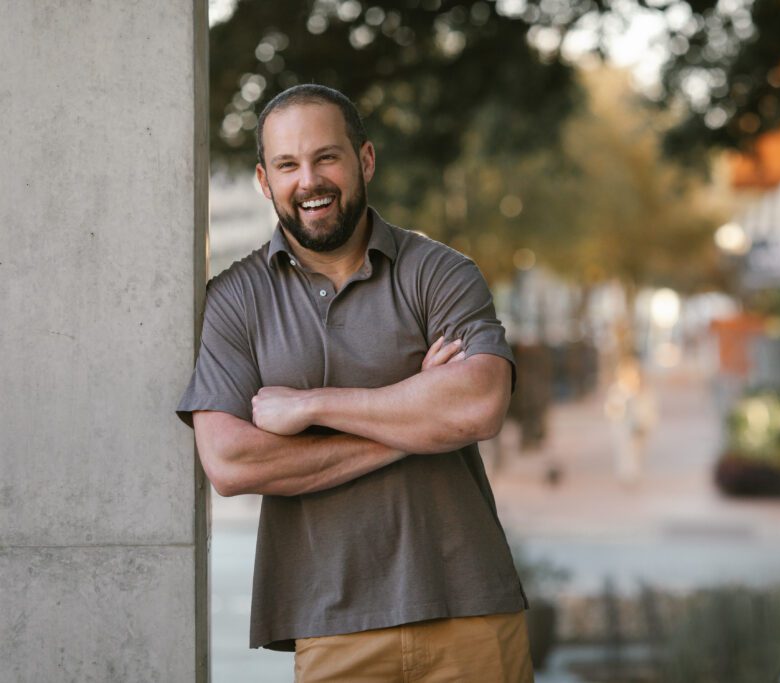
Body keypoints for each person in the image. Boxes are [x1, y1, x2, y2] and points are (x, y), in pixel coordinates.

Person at [177, 84, 532, 681]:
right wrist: (415, 420)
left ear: (364, 159)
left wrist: (312, 407)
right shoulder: (235, 299)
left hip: (469, 605)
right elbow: (233, 463)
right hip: (330, 623)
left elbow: (479, 405)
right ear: (265, 181)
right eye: (288, 165)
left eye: (327, 157)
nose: (309, 179)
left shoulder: (439, 271)